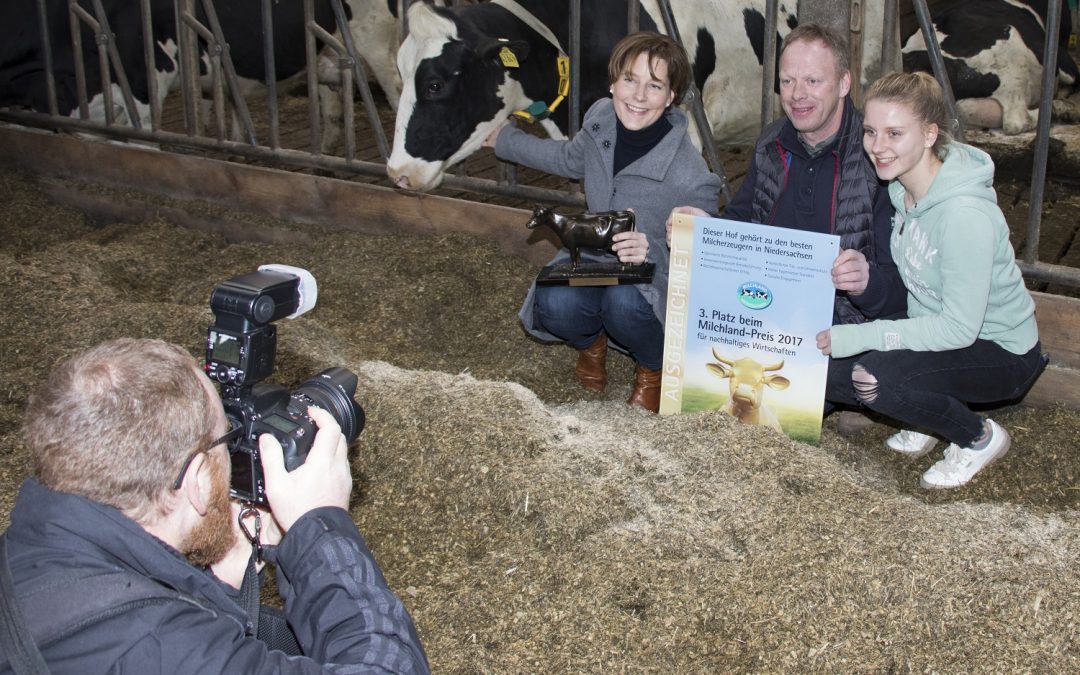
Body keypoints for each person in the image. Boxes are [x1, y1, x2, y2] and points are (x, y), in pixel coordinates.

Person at [0, 338, 429, 673]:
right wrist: (320, 527)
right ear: (197, 482)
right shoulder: (159, 644)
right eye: (228, 440)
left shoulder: (29, 555)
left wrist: (217, 587)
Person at [666, 24, 907, 421]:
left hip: (845, 322)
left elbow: (907, 286)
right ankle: (835, 393)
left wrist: (867, 282)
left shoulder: (877, 157)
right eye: (788, 80)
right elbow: (743, 222)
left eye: (813, 80)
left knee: (875, 374)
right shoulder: (772, 143)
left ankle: (848, 391)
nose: (798, 94)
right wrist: (706, 229)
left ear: (844, 82)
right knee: (679, 338)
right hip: (772, 315)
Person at [817, 72, 1044, 489]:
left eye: (894, 133)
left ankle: (978, 438)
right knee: (829, 374)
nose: (878, 146)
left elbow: (959, 326)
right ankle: (923, 414)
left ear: (928, 134)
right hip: (948, 334)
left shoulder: (963, 217)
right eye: (870, 131)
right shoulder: (901, 194)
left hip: (1002, 349)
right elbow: (920, 294)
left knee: (875, 380)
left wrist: (864, 337)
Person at [485, 31, 721, 413]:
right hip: (595, 260)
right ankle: (591, 345)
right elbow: (568, 160)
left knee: (623, 302)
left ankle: (652, 369)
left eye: (655, 85)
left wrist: (662, 245)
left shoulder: (687, 169)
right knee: (554, 300)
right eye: (630, 80)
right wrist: (505, 141)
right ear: (613, 83)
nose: (639, 96)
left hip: (650, 279)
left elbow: (708, 236)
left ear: (671, 96)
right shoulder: (600, 120)